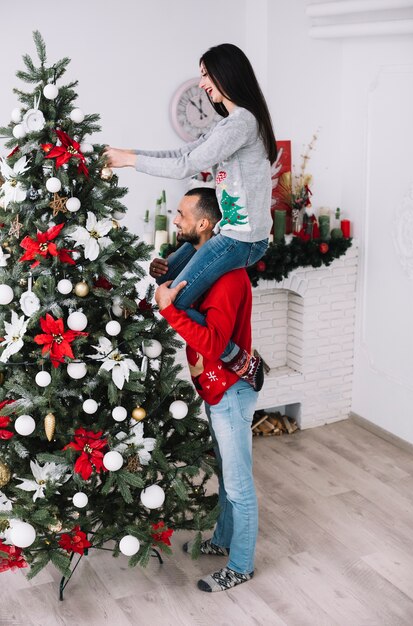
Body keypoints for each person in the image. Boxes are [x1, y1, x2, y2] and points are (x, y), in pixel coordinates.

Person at [105, 43, 276, 389]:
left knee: (176, 301)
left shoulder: (242, 123)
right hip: (228, 233)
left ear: (225, 73)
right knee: (165, 273)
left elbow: (187, 164)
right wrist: (129, 153)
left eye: (205, 75)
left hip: (241, 240)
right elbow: (183, 151)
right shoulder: (228, 123)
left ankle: (240, 359)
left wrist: (129, 162)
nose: (202, 84)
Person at [153, 187, 259, 592]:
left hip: (231, 392)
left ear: (204, 224)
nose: (175, 221)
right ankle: (223, 540)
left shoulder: (228, 279)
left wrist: (170, 311)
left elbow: (214, 343)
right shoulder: (204, 271)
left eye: (181, 215)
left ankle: (242, 565)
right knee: (228, 474)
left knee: (238, 483)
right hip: (217, 390)